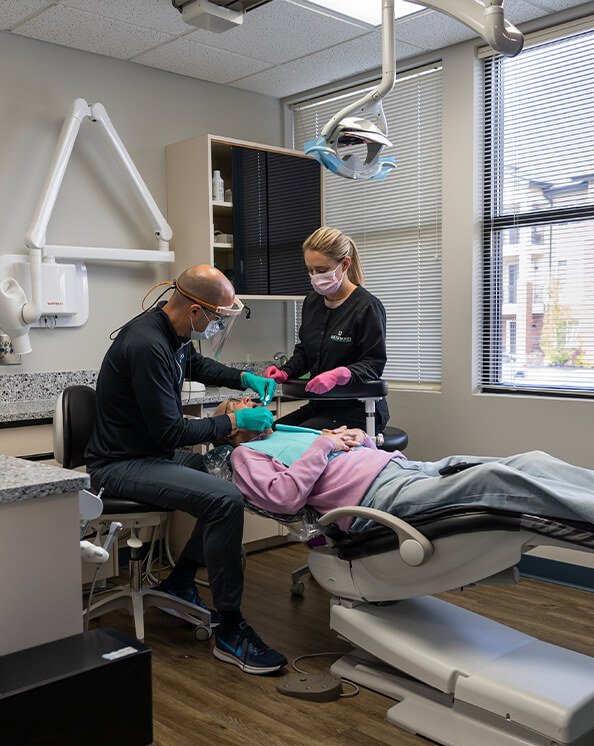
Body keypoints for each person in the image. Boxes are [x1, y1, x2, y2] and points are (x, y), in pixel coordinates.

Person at [85, 264, 286, 675]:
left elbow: (196, 365)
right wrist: (234, 423)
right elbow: (172, 430)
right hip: (120, 465)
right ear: (195, 310)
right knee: (225, 499)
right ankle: (230, 632)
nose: (215, 324)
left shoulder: (171, 331)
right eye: (214, 316)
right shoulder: (145, 344)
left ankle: (180, 581)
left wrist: (243, 378)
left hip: (149, 454)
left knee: (228, 477)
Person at [215, 398, 594, 537]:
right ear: (231, 429)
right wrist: (324, 443)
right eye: (237, 406)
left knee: (530, 460)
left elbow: (335, 452)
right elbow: (283, 499)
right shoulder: (246, 456)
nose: (249, 400)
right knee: (495, 480)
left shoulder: (283, 430)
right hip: (378, 499)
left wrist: (354, 439)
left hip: (408, 470)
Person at [263, 226, 389, 432]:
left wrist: (338, 375)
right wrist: (285, 372)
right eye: (310, 270)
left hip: (358, 410)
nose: (315, 276)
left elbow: (373, 363)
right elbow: (305, 352)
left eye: (321, 270)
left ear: (345, 264)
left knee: (298, 442)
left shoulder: (367, 307)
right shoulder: (312, 302)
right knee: (272, 433)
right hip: (320, 406)